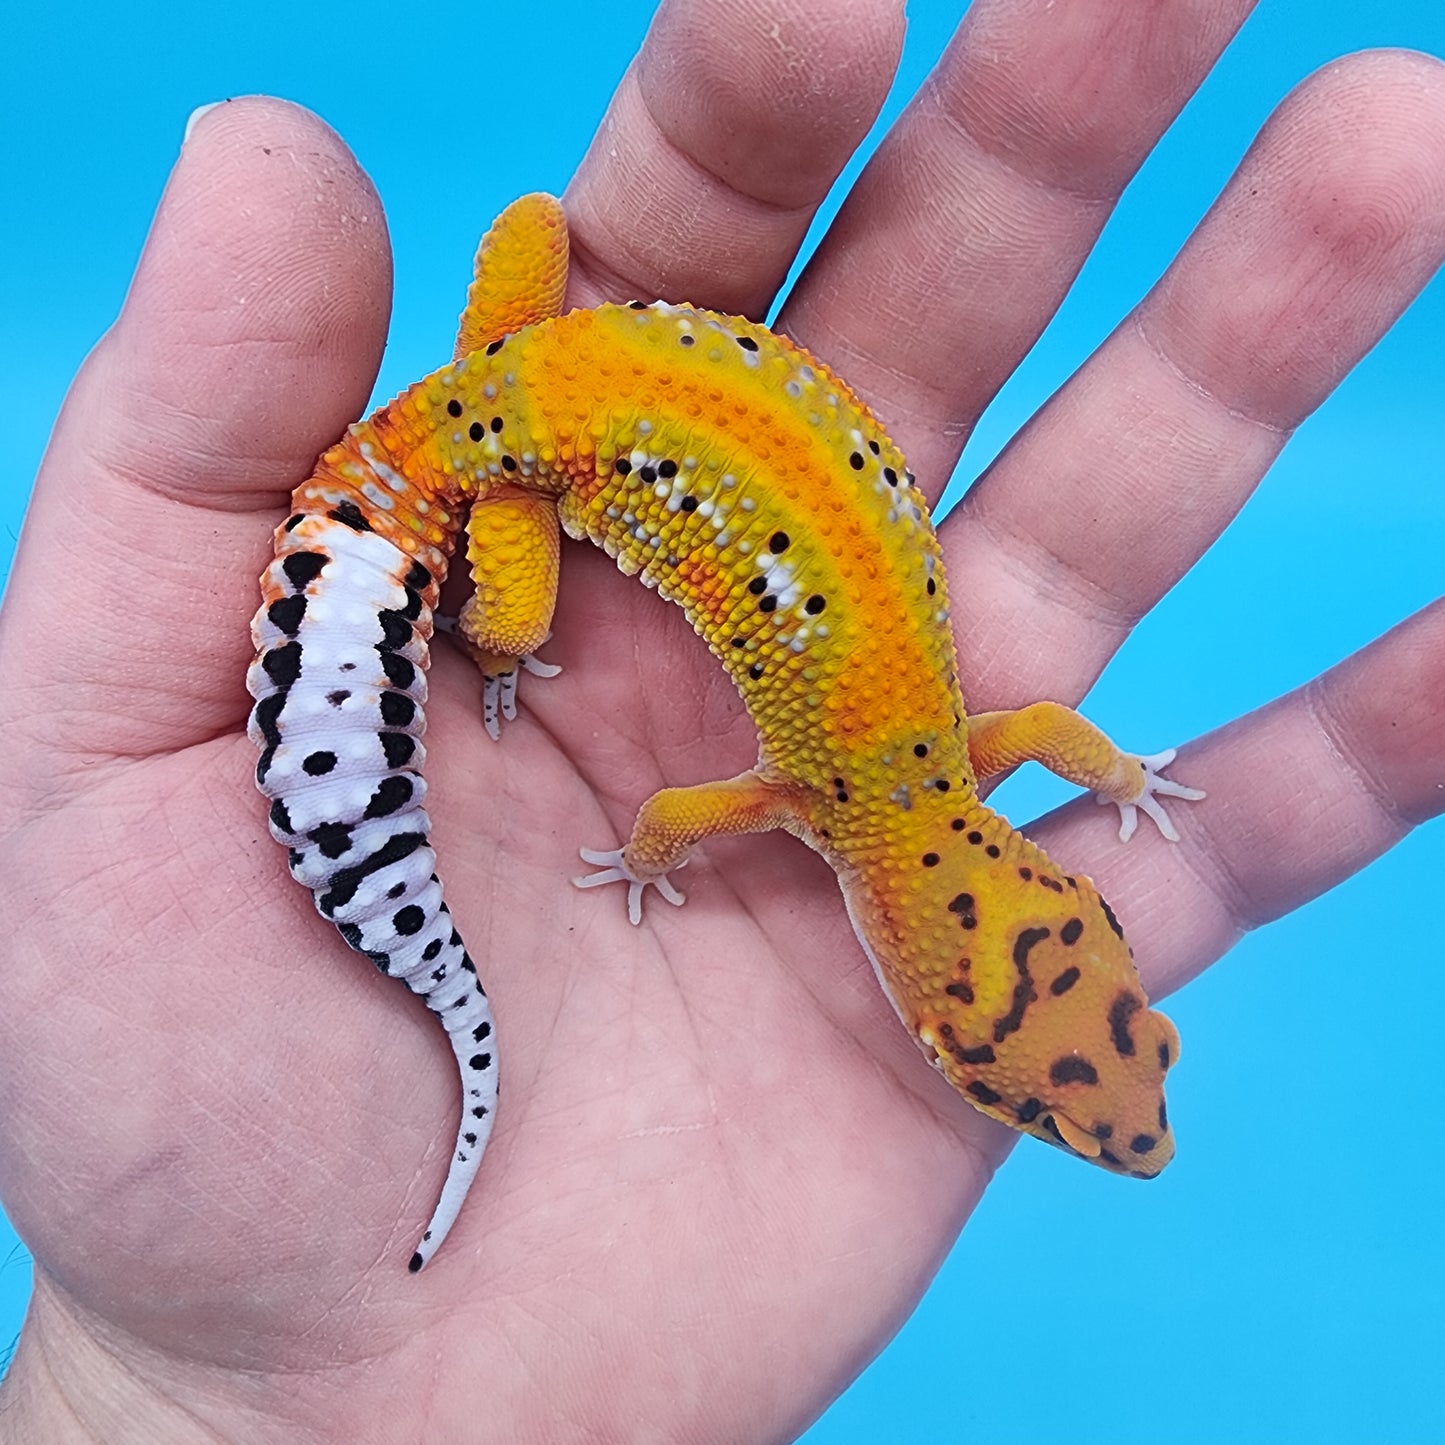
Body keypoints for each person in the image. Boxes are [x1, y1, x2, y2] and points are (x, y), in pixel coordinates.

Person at [2, 1, 1442, 1439]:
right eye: (1046, 1104)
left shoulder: (962, 760)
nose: (1095, 1117)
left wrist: (1113, 767)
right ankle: (485, 633)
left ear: (1050, 883)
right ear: (938, 1035)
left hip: (528, 347)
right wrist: (623, 840)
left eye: (1065, 1096)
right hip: (518, 465)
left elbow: (1049, 729)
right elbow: (680, 818)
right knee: (509, 615)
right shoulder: (815, 801)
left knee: (527, 238)